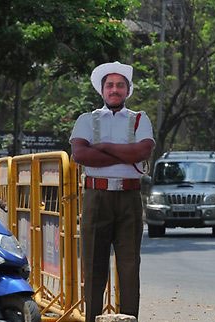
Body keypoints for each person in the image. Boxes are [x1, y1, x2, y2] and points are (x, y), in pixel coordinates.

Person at [69, 62, 155, 321]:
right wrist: (123, 154)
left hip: (130, 198)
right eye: (110, 85)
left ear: (128, 90)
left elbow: (142, 152)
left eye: (120, 85)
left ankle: (129, 318)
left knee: (129, 266)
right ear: (102, 90)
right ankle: (92, 318)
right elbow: (81, 154)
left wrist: (103, 146)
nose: (114, 90)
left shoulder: (139, 118)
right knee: (94, 265)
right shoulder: (86, 119)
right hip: (96, 198)